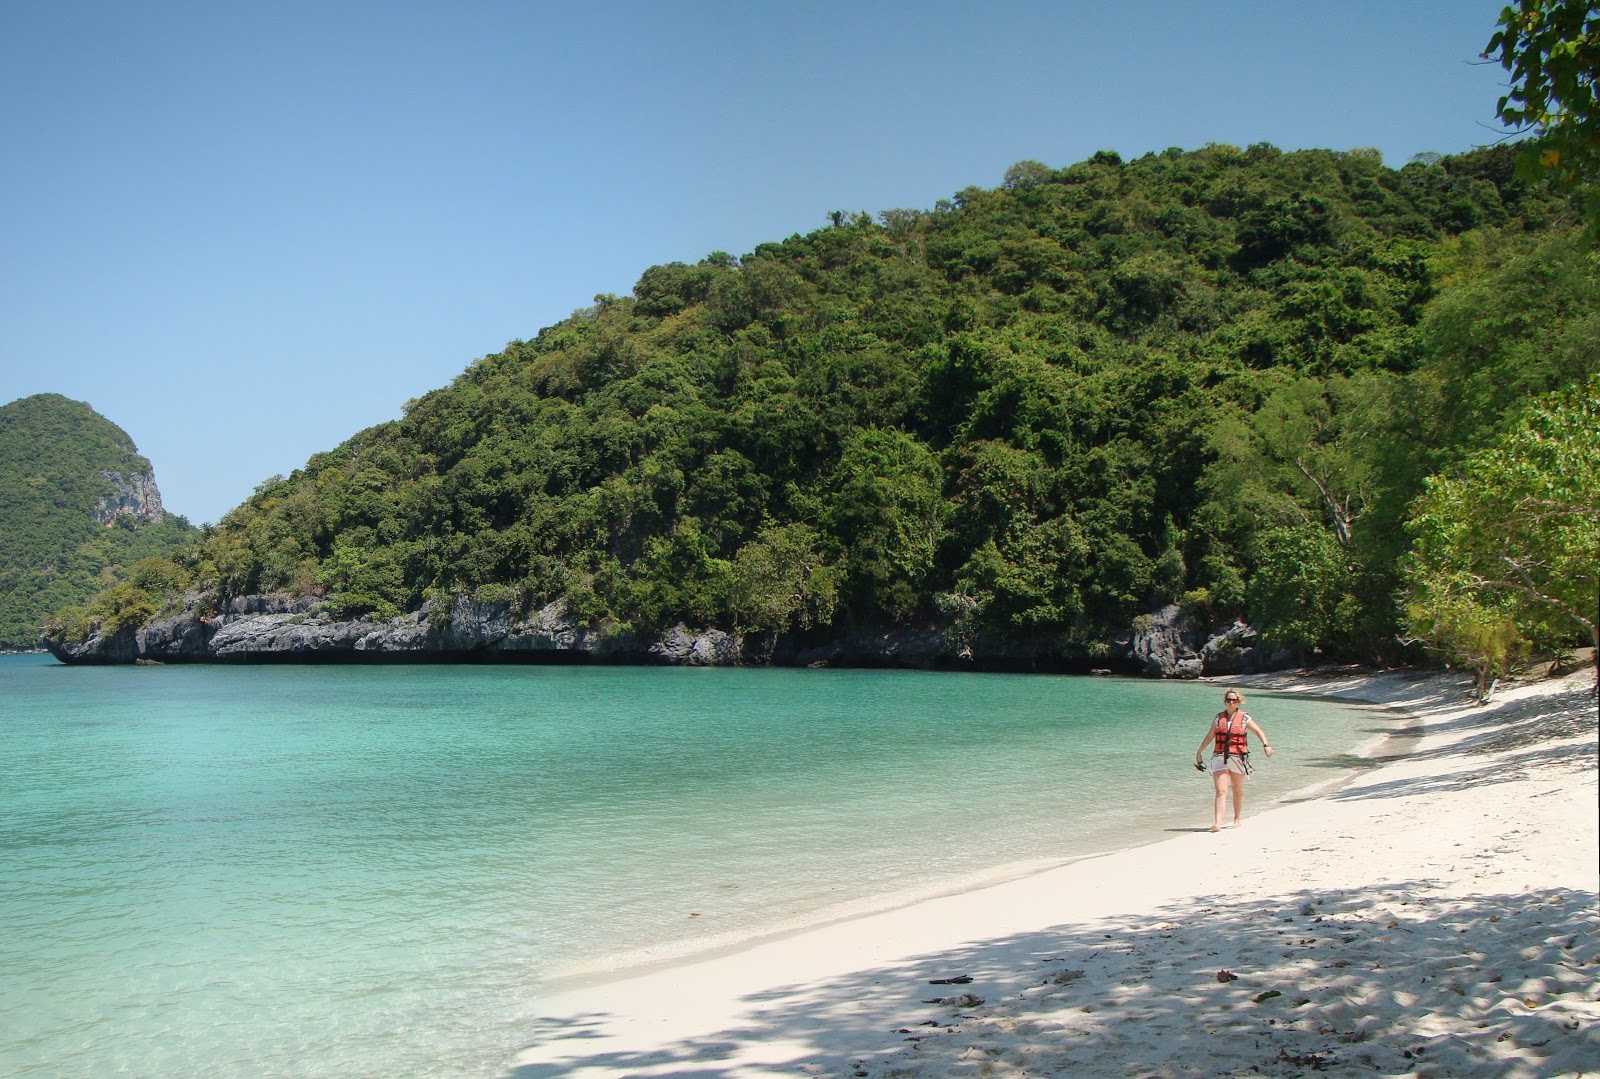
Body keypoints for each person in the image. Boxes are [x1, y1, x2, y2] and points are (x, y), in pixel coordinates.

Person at [1194, 689, 1273, 832]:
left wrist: (1266, 745)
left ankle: (1237, 819)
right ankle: (1218, 823)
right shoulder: (1219, 718)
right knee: (1221, 790)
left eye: (1234, 700)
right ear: (1225, 701)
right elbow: (1210, 736)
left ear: (1238, 701)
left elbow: (1258, 731)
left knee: (1237, 789)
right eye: (1229, 700)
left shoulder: (1244, 718)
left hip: (1238, 757)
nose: (1231, 702)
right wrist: (1200, 751)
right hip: (1219, 757)